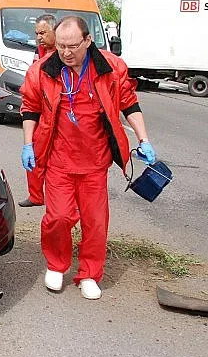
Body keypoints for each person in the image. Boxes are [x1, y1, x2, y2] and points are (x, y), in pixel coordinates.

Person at [19, 15, 156, 300]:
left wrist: (143, 139)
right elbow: (30, 108)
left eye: (72, 46)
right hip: (58, 159)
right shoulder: (42, 71)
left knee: (95, 222)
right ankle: (56, 265)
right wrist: (28, 144)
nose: (66, 53)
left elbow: (129, 104)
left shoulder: (111, 68)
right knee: (58, 217)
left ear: (87, 40)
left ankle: (90, 273)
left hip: (95, 161)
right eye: (61, 47)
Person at [18, 14, 59, 207]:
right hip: (41, 111)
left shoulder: (65, 53)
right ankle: (35, 195)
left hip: (56, 114)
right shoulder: (40, 52)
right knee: (33, 152)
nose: (39, 37)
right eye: (37, 34)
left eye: (43, 33)